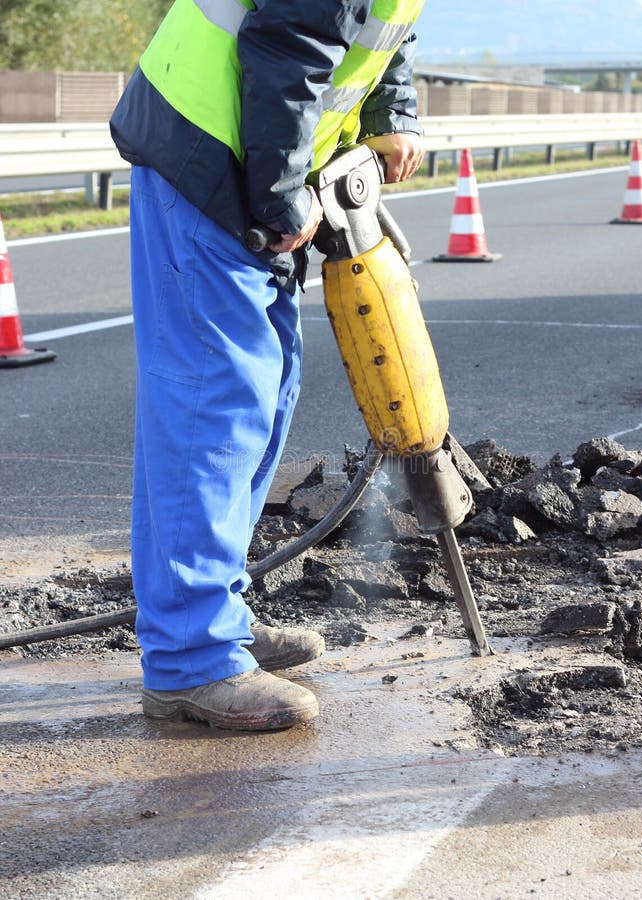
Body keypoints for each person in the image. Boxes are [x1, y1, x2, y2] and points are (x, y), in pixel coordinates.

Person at [110, 0, 427, 732]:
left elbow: (381, 34)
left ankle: (214, 618)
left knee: (266, 388)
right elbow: (286, 46)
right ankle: (193, 658)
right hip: (210, 146)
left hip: (252, 146)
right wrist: (283, 195)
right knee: (214, 404)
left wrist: (394, 112)